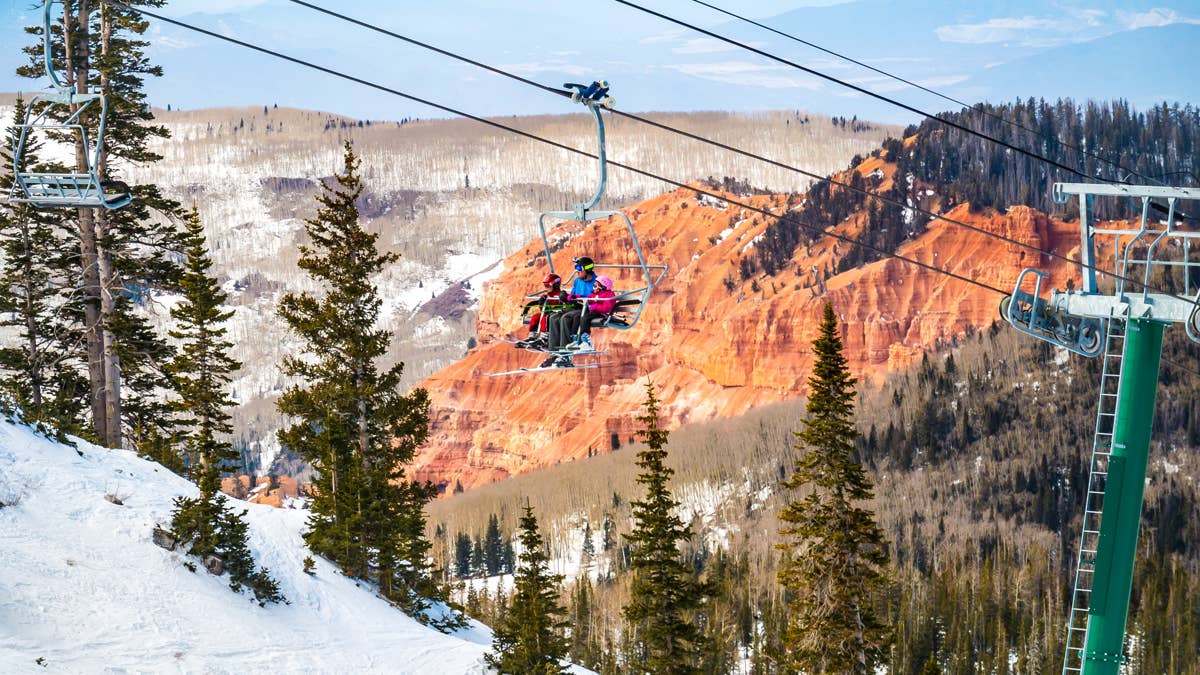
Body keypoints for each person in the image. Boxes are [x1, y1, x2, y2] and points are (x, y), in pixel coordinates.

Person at [542, 256, 597, 367]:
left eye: (579, 268)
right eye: (576, 267)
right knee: (553, 317)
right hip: (575, 306)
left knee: (565, 318)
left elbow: (594, 298)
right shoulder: (577, 281)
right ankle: (554, 353)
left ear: (587, 269)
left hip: (586, 309)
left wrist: (577, 298)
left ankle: (565, 354)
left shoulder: (596, 282)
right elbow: (572, 294)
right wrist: (565, 296)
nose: (577, 271)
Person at [566, 275, 616, 351]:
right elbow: (588, 299)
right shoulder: (595, 294)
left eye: (595, 286)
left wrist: (595, 307)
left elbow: (607, 308)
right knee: (577, 317)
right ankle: (575, 339)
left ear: (603, 287)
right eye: (594, 285)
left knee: (585, 318)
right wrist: (575, 297)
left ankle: (586, 342)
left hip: (603, 314)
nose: (593, 287)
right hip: (595, 312)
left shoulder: (608, 295)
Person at [516, 273, 564, 349]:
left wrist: (546, 306)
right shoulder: (548, 295)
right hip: (547, 313)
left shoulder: (560, 295)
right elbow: (543, 310)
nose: (546, 288)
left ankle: (545, 338)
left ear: (555, 285)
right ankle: (532, 336)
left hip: (555, 314)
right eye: (545, 286)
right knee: (536, 317)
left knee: (545, 318)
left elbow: (560, 306)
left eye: (548, 286)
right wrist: (541, 303)